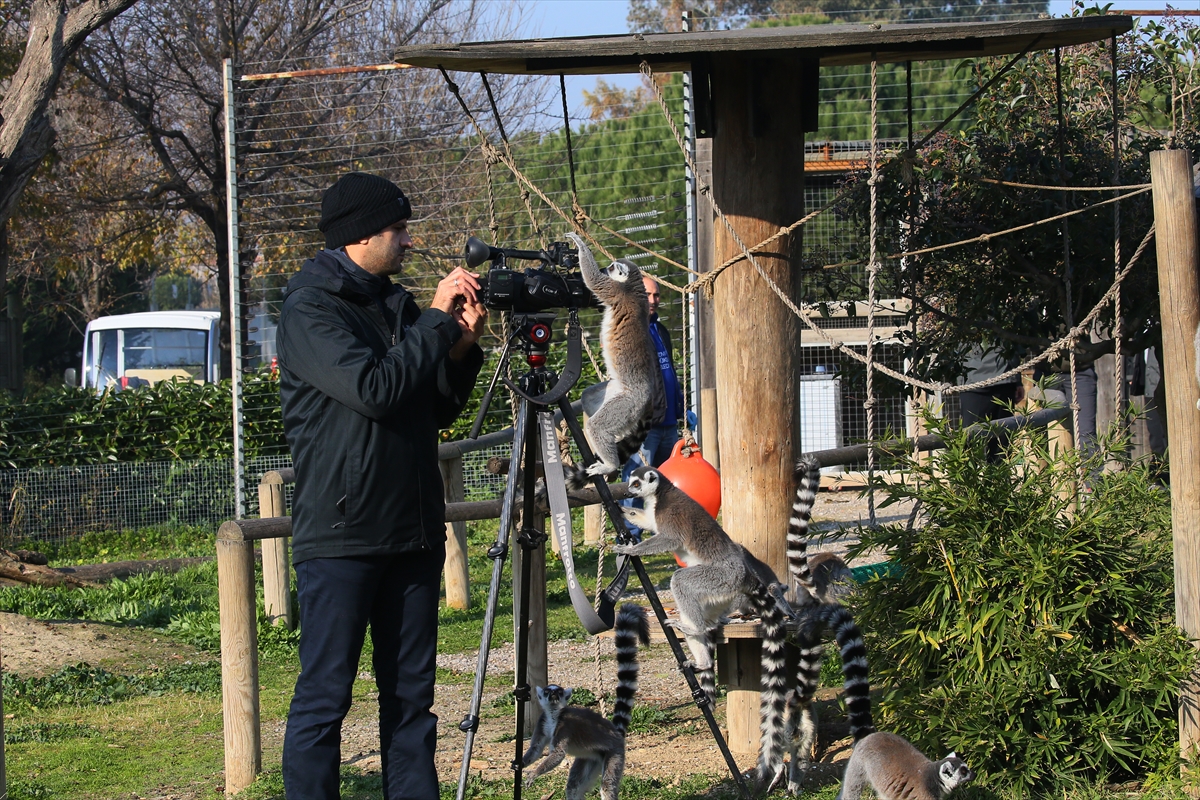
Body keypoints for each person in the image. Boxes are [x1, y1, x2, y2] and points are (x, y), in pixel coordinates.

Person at [276, 171, 487, 800]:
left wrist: (461, 347)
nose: (408, 241)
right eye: (398, 228)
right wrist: (434, 328)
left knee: (411, 705)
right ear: (362, 234)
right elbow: (374, 390)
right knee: (325, 698)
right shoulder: (309, 308)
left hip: (413, 530)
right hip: (342, 536)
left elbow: (434, 410)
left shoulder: (397, 306)